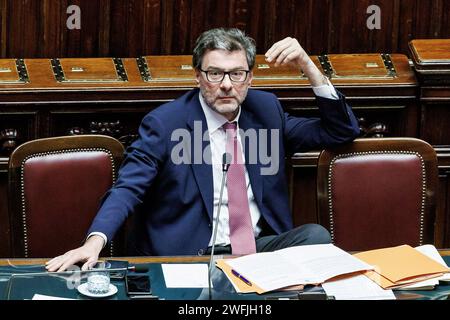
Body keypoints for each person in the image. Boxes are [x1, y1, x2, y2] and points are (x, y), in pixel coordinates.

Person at [46, 28, 359, 272]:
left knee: (315, 237)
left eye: (236, 74)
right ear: (198, 76)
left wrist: (309, 67)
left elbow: (341, 130)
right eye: (214, 73)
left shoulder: (266, 110)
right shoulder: (166, 123)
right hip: (192, 253)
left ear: (249, 78)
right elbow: (128, 188)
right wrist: (94, 240)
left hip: (257, 251)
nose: (226, 84)